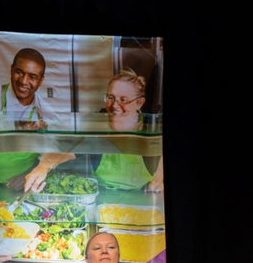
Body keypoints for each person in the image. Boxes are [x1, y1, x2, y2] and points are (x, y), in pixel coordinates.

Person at [22, 69, 164, 193]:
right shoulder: (96, 125)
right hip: (101, 197)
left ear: (139, 102)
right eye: (111, 98)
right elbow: (66, 147)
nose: (115, 105)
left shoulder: (151, 129)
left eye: (123, 99)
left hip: (142, 196)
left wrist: (160, 176)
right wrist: (44, 165)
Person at [0, 48, 56, 187]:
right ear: (11, 69)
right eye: (19, 72)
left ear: (41, 80)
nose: (24, 81)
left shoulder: (45, 112)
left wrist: (27, 174)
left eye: (32, 77)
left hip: (24, 186)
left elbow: (48, 152)